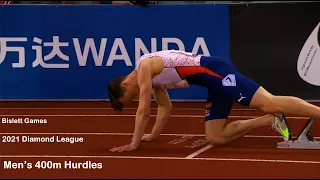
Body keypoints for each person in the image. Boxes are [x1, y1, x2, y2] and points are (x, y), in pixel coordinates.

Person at [107, 50, 320, 152]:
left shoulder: (144, 67)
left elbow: (144, 109)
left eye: (131, 97)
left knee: (269, 102)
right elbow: (164, 106)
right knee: (215, 137)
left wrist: (133, 143)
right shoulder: (153, 80)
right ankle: (270, 120)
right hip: (211, 83)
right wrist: (152, 136)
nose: (136, 99)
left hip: (215, 71)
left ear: (125, 85)